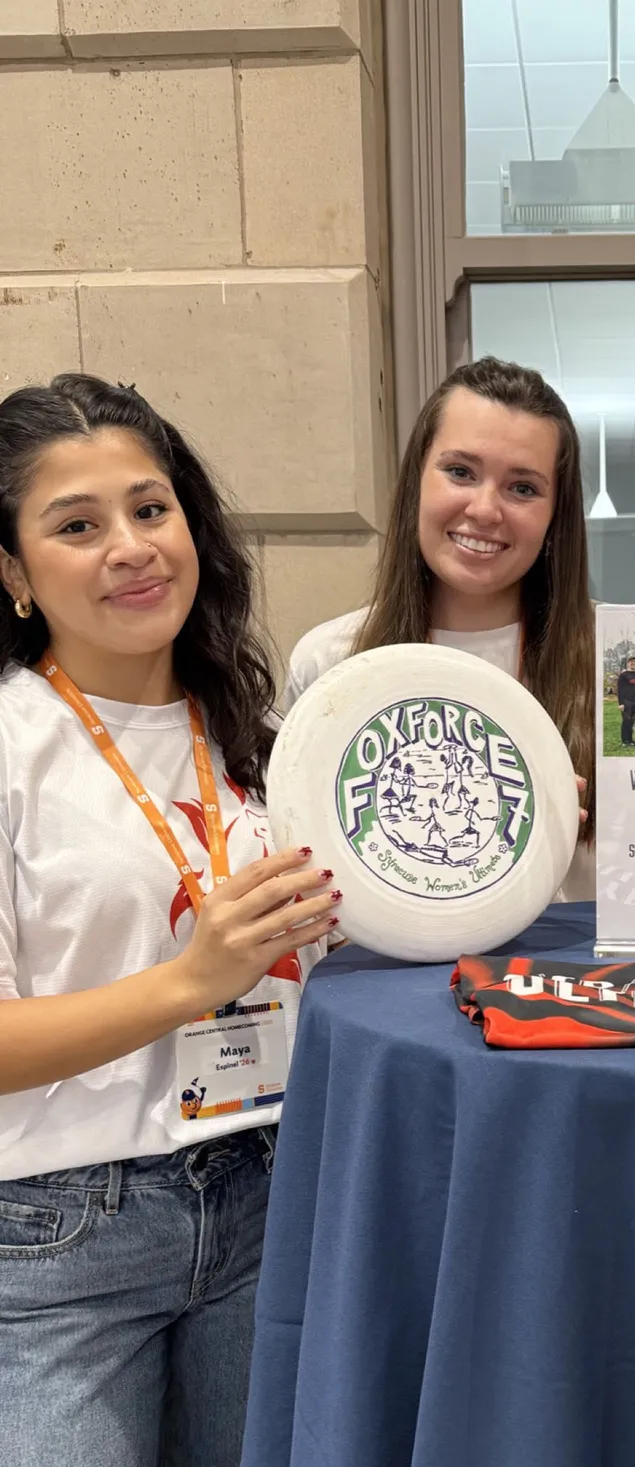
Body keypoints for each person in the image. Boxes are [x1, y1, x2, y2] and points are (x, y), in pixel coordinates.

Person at [0, 375, 338, 1465]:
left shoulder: (262, 735)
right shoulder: (12, 744)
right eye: (77, 525)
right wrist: (189, 981)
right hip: (61, 1239)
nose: (132, 547)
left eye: (151, 509)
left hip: (264, 1195)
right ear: (13, 572)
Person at [285, 357, 594, 899]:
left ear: (554, 517)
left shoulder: (615, 667)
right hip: (382, 979)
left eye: (523, 488)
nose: (485, 509)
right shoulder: (330, 663)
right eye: (460, 472)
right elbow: (299, 872)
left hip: (572, 978)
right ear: (416, 482)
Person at [617, 655, 635, 746]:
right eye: (631, 661)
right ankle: (625, 741)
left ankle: (630, 740)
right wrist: (621, 703)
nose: (633, 663)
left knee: (632, 721)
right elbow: (619, 689)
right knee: (626, 720)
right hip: (626, 701)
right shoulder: (623, 675)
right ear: (628, 663)